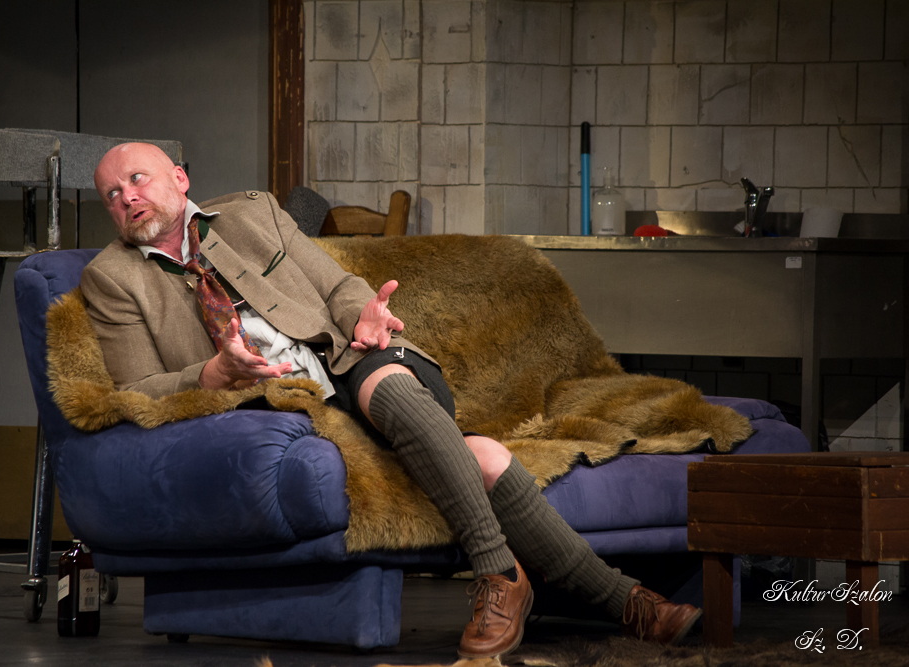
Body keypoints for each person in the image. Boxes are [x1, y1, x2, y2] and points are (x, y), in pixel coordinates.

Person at [81, 142, 702, 658]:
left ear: (179, 178)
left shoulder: (253, 213)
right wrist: (211, 374)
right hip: (286, 405)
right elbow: (136, 389)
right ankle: (628, 603)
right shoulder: (112, 278)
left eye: (137, 179)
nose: (126, 197)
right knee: (484, 458)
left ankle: (496, 572)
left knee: (392, 388)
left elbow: (338, 286)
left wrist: (364, 315)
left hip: (351, 357)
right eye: (111, 194)